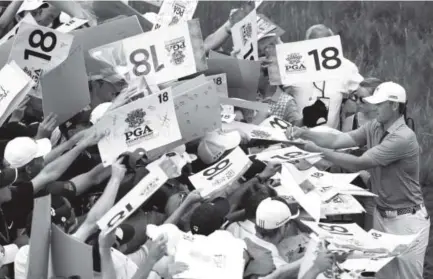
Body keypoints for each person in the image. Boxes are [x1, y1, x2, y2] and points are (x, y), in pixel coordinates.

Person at [286, 81, 429, 279]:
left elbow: (359, 163)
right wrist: (305, 133)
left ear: (395, 106)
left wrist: (317, 151)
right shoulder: (375, 126)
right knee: (382, 276)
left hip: (406, 220)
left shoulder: (403, 137)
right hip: (383, 214)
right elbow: (338, 141)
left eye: (380, 104)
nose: (374, 107)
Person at [287, 24, 363, 129]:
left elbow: (364, 90)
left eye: (323, 43)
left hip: (329, 139)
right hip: (296, 135)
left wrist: (352, 101)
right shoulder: (293, 65)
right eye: (314, 44)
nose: (318, 48)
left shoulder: (346, 67)